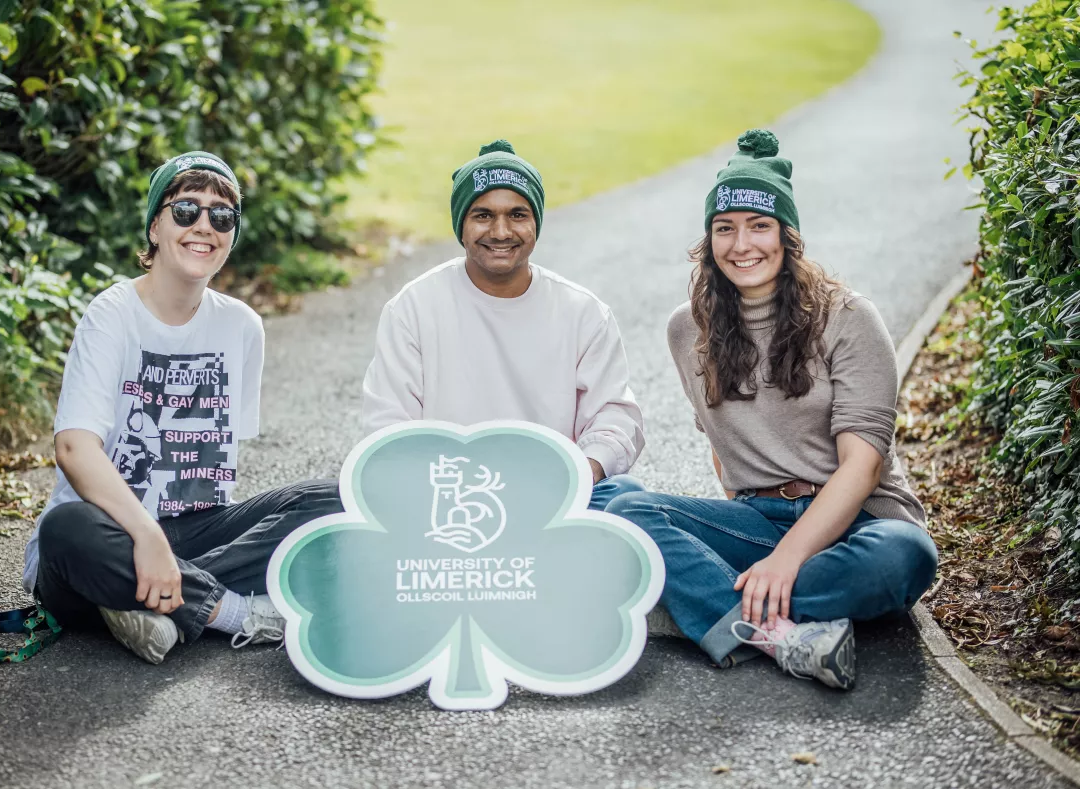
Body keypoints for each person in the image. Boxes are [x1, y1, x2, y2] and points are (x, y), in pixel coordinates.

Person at [606, 130, 938, 690]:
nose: (742, 245)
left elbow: (863, 468)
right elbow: (721, 442)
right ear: (708, 238)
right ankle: (778, 630)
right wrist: (762, 539)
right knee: (622, 510)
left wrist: (786, 561)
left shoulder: (849, 317)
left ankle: (710, 601)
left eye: (759, 226)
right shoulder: (687, 328)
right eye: (724, 227)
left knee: (904, 558)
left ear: (787, 235)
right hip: (758, 520)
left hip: (857, 522)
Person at [22, 152, 343, 664]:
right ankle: (239, 613)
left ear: (232, 236)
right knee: (65, 530)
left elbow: (214, 465)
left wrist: (163, 552)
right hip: (105, 532)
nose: (204, 225)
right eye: (186, 209)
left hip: (194, 530)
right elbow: (73, 449)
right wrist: (144, 537)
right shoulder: (112, 314)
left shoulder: (242, 327)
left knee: (336, 500)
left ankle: (151, 601)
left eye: (222, 216)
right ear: (154, 227)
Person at [361, 140, 646, 509]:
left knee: (627, 498)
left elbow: (615, 419)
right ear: (461, 226)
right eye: (482, 215)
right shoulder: (413, 308)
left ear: (536, 224)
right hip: (443, 500)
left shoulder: (583, 312)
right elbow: (388, 428)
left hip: (554, 496)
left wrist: (581, 473)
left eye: (517, 214)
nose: (500, 232)